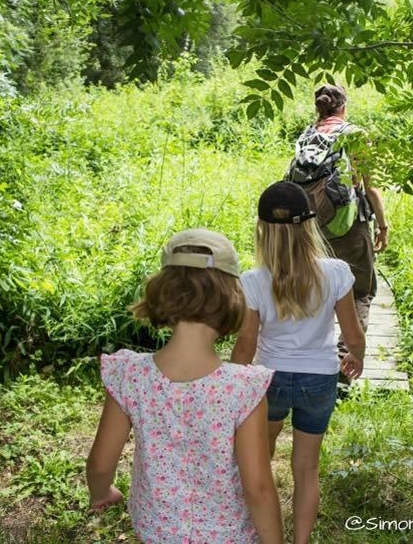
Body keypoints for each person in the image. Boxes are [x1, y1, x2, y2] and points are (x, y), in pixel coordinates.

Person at [86, 228, 283, 544]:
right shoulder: (243, 388)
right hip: (226, 535)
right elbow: (257, 487)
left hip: (156, 531)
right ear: (233, 297)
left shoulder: (130, 375)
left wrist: (102, 492)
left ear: (162, 292)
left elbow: (100, 463)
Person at [230, 182, 366, 544]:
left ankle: (262, 527)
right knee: (307, 469)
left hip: (269, 379)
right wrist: (358, 356)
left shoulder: (253, 281)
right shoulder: (336, 273)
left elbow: (245, 346)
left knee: (262, 458)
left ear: (262, 231)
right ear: (310, 225)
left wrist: (231, 383)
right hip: (320, 379)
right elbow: (352, 333)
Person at [308, 84, 388, 388]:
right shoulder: (354, 134)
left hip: (309, 225)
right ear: (343, 107)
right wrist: (382, 225)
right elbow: (370, 186)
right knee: (359, 290)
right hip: (348, 224)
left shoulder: (308, 136)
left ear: (320, 108)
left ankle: (315, 358)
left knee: (317, 290)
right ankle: (344, 366)